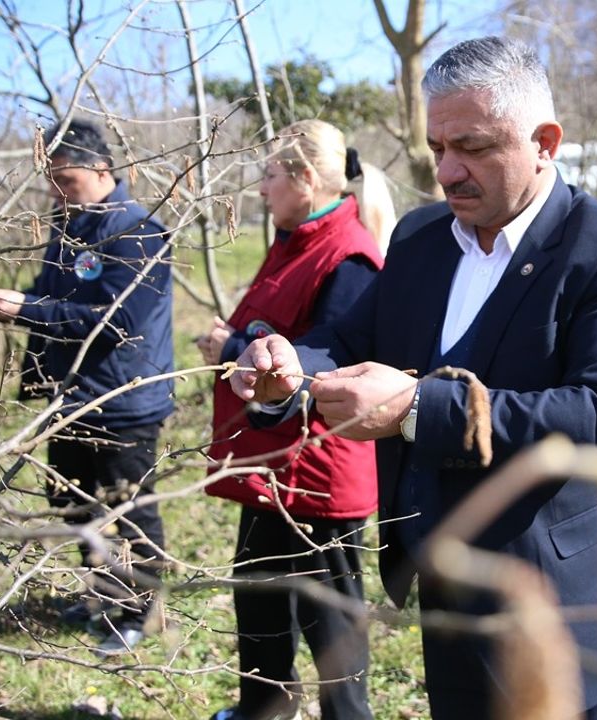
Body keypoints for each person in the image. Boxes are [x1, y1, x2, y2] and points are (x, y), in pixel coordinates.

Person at [230, 37, 597, 720]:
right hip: (447, 585)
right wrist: (288, 368)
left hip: (571, 605)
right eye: (438, 147)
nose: (448, 170)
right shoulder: (420, 240)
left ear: (545, 142)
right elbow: (344, 341)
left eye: (472, 147)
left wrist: (417, 407)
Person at [199, 119, 393, 720]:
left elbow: (323, 366)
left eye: (269, 175)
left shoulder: (349, 258)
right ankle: (264, 708)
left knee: (329, 612)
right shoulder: (295, 241)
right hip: (270, 459)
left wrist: (232, 349)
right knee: (256, 592)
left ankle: (348, 717)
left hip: (317, 468)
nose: (260, 188)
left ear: (306, 179)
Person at [0, 119, 174, 656]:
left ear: (101, 169)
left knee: (129, 509)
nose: (58, 190)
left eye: (67, 179)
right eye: (51, 179)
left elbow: (113, 319)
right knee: (79, 505)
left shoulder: (137, 231)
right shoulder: (70, 226)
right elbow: (50, 293)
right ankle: (102, 593)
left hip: (121, 399)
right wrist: (11, 302)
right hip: (72, 396)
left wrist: (28, 308)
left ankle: (139, 611)